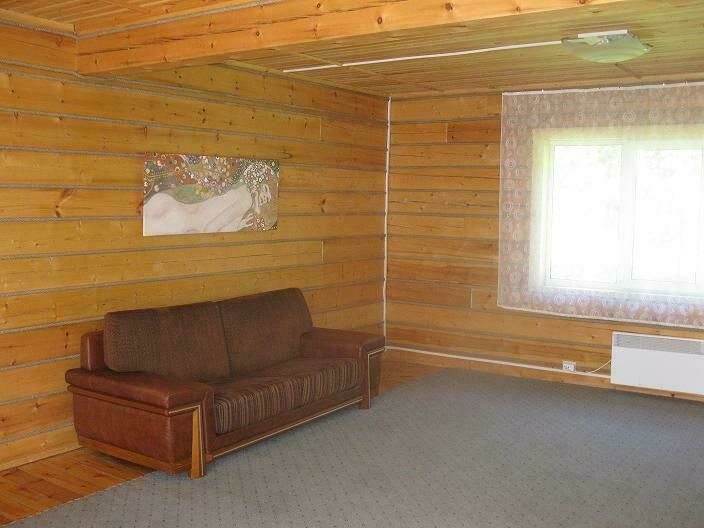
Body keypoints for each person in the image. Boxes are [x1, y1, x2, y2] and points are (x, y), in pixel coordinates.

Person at [143, 181, 272, 236]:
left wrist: (236, 227)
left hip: (174, 211)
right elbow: (210, 228)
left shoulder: (242, 191)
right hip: (177, 221)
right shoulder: (246, 200)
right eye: (266, 191)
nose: (267, 198)